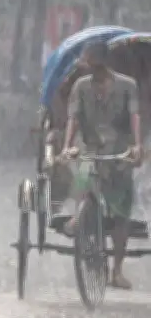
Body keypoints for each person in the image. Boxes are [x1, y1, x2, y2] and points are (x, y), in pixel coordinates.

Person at [61, 41, 143, 290]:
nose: (88, 69)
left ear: (102, 63)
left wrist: (137, 145)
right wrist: (67, 145)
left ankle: (116, 271)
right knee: (85, 173)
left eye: (91, 64)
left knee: (120, 213)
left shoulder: (127, 85)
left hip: (119, 150)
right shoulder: (81, 86)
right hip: (91, 147)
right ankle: (79, 216)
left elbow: (134, 116)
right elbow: (73, 118)